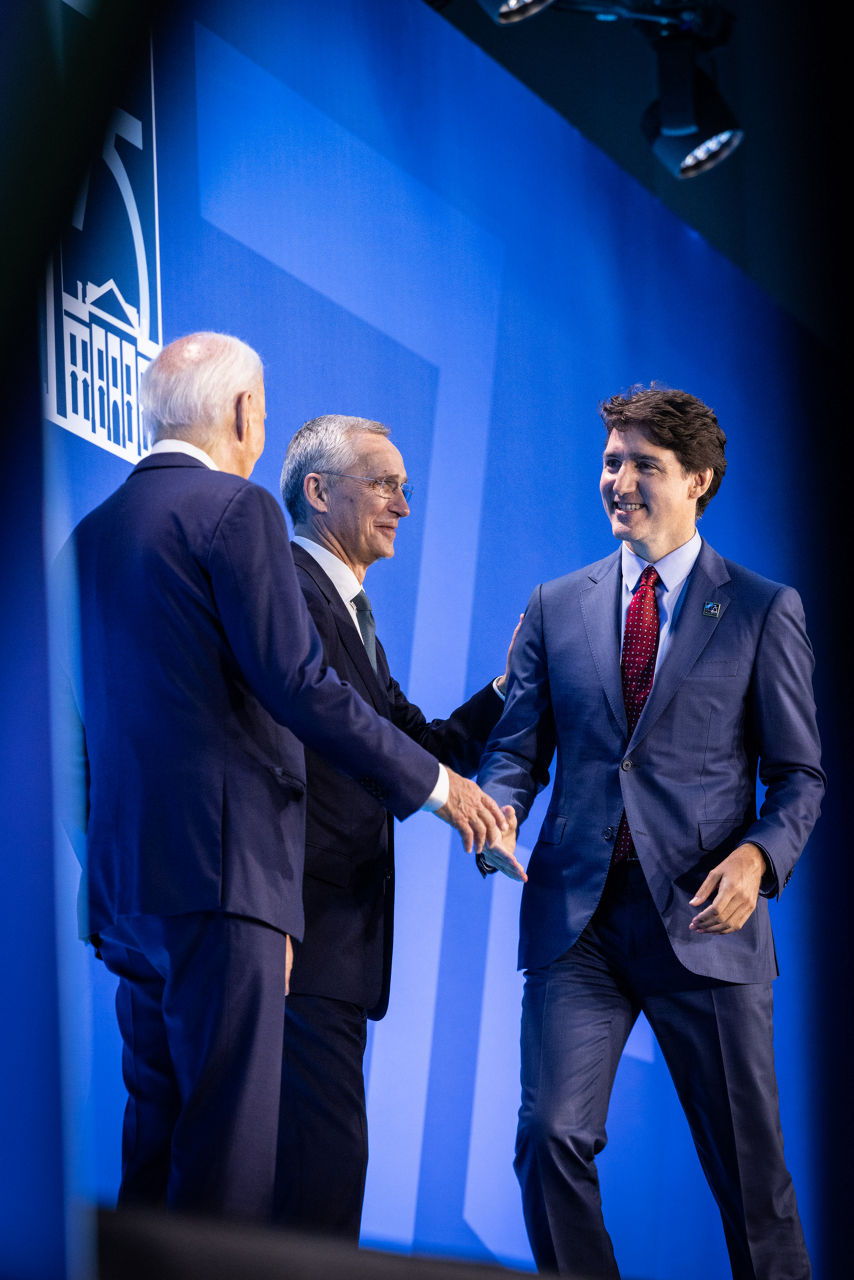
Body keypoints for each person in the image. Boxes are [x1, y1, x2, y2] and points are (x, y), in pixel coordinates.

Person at [57, 332, 511, 1224]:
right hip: (228, 889)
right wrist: (439, 787)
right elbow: (299, 685)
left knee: (155, 1153)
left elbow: (70, 736)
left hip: (127, 895)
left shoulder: (86, 536)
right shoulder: (237, 511)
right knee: (227, 1166)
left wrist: (102, 860)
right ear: (244, 413)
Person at [478, 385, 824, 1279]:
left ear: (699, 480)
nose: (619, 481)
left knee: (753, 1185)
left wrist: (758, 857)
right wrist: (497, 805)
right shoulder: (557, 605)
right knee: (549, 1136)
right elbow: (518, 748)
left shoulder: (759, 609)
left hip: (705, 921)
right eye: (611, 462)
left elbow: (799, 778)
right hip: (579, 923)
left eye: (643, 465)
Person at [274, 415, 526, 1239]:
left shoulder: (349, 610)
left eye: (405, 488)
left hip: (336, 950)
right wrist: (446, 792)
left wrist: (506, 683)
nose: (403, 507)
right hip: (296, 939)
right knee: (316, 1181)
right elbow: (350, 734)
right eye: (383, 484)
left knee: (320, 1175)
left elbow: (415, 747)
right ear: (318, 492)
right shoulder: (286, 587)